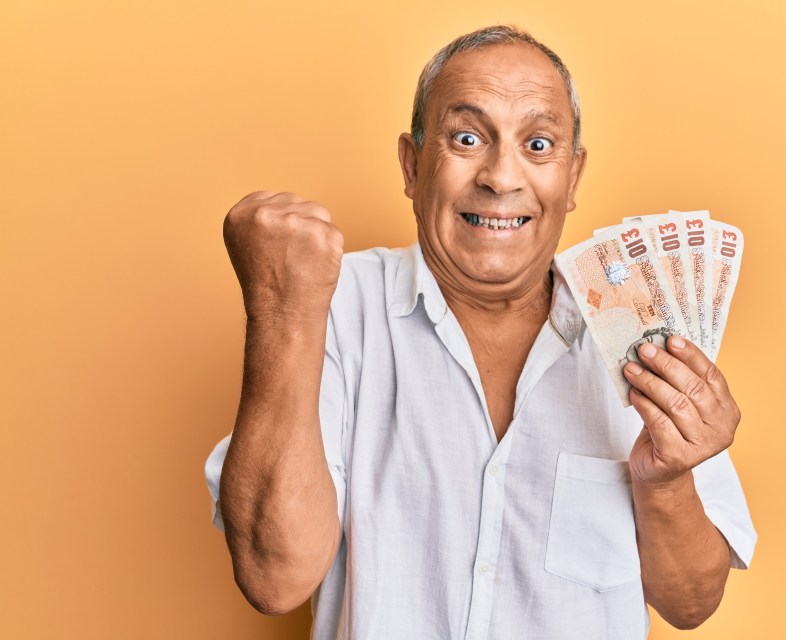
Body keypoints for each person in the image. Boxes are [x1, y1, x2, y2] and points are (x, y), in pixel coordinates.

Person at [205, 25, 756, 639]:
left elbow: (691, 603)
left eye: (538, 144)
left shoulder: (641, 330)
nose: (501, 176)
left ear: (572, 178)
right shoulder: (329, 306)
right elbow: (273, 577)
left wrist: (666, 480)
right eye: (467, 138)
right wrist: (281, 312)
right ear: (413, 166)